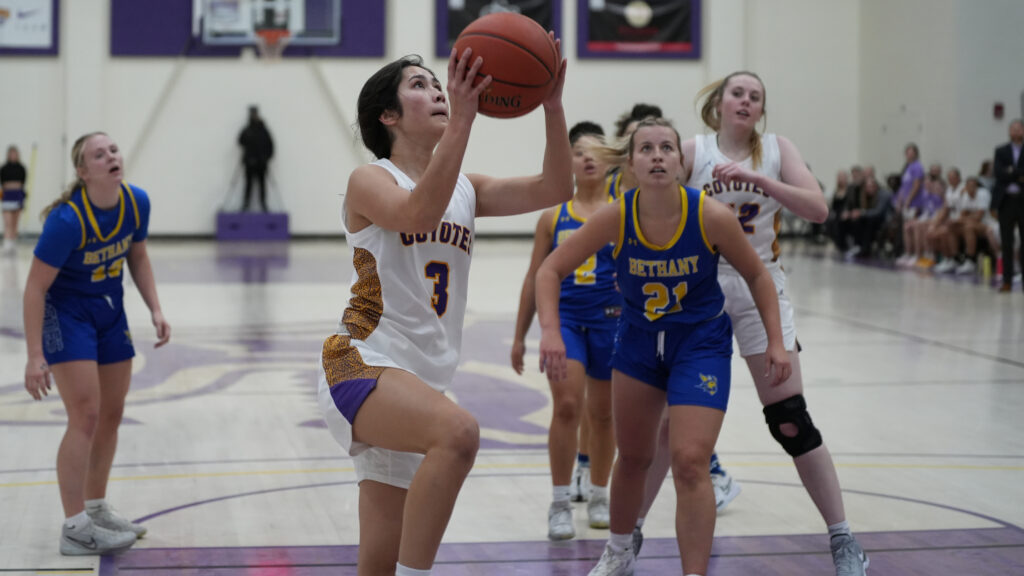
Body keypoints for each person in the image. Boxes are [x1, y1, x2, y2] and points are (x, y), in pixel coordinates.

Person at [316, 47, 571, 576]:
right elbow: (416, 213)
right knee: (458, 434)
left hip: (423, 380)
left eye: (439, 85)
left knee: (378, 564)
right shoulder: (371, 179)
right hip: (362, 360)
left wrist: (551, 105)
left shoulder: (467, 189)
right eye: (420, 85)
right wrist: (465, 118)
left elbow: (556, 187)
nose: (437, 91)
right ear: (387, 115)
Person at [635, 72, 869, 576]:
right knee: (666, 427)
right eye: (737, 93)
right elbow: (647, 198)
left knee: (790, 417)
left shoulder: (778, 150)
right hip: (698, 289)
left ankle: (843, 538)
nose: (745, 101)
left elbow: (820, 209)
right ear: (718, 102)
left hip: (760, 283)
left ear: (761, 110)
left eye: (755, 96)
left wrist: (764, 183)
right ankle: (627, 536)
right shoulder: (692, 152)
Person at [536, 117, 790, 576]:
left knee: (691, 460)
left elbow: (757, 274)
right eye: (647, 148)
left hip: (699, 344)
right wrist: (550, 331)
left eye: (667, 148)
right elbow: (549, 270)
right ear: (630, 164)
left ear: (680, 162)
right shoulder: (616, 214)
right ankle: (617, 552)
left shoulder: (709, 213)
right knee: (633, 457)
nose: (657, 155)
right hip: (636, 343)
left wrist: (776, 341)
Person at [23, 132, 171, 555]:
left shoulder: (135, 201)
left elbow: (137, 256)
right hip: (67, 315)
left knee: (111, 413)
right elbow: (34, 288)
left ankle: (95, 507)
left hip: (110, 311)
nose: (111, 156)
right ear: (83, 172)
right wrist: (35, 356)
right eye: (99, 154)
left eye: (113, 150)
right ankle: (74, 528)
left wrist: (156, 309)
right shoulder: (67, 221)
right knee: (85, 415)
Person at [511, 120, 618, 540]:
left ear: (610, 160)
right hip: (567, 322)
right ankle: (558, 502)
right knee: (569, 407)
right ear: (567, 162)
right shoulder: (553, 216)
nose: (588, 157)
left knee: (604, 413)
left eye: (596, 151)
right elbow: (534, 276)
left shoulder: (626, 207)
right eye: (578, 151)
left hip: (612, 322)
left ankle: (599, 493)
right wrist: (521, 334)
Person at [993, 119, 1024, 292]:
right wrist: (1018, 175)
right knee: (1007, 242)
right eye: (1012, 128)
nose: (1015, 131)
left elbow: (1010, 173)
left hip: (1022, 199)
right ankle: (1007, 280)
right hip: (1006, 200)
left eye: (1018, 128)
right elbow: (999, 173)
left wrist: (1011, 172)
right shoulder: (1001, 151)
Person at [237, 106, 275, 212]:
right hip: (250, 163)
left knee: (262, 184)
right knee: (248, 184)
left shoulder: (263, 130)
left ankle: (263, 204)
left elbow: (270, 145)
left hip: (261, 164)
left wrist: (266, 158)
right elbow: (240, 141)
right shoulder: (247, 129)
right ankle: (246, 204)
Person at [1, 145, 28, 254]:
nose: (13, 156)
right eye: (11, 153)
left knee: (15, 223)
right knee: (7, 222)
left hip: (17, 195)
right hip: (7, 195)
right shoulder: (3, 168)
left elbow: (23, 181)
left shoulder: (21, 168)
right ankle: (7, 245)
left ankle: (13, 244)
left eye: (14, 153)